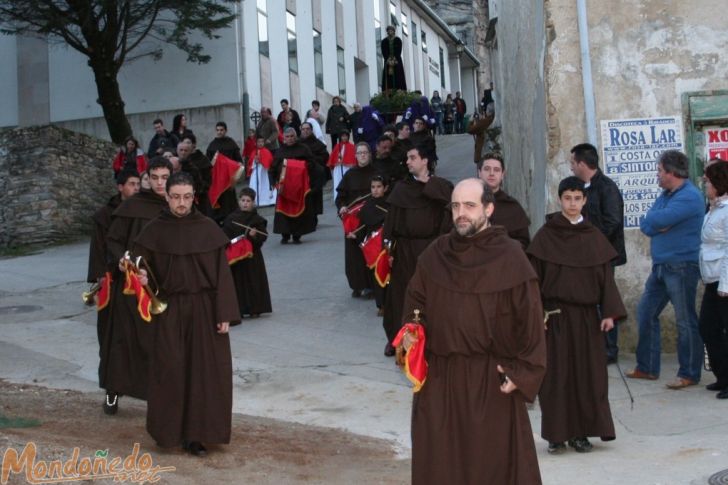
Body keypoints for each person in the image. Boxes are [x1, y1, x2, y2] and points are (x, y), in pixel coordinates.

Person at [402, 177, 546, 484]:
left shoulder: (511, 257)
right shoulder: (435, 255)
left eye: (469, 205)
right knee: (441, 465)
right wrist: (411, 334)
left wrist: (522, 373)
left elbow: (531, 322)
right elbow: (415, 305)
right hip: (440, 380)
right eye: (455, 206)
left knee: (490, 468)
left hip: (489, 380)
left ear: (489, 208)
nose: (460, 213)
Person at [131, 171, 238, 456]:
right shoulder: (154, 230)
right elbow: (142, 269)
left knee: (205, 373)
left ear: (194, 197)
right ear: (166, 196)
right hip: (168, 309)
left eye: (187, 197)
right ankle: (169, 432)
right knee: (171, 370)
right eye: (176, 197)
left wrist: (224, 313)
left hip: (205, 310)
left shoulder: (207, 228)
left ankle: (197, 436)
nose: (181, 203)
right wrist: (142, 281)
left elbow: (222, 276)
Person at [528, 176, 626, 454]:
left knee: (587, 376)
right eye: (567, 198)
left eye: (577, 198)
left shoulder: (593, 236)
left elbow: (606, 278)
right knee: (557, 378)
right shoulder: (546, 235)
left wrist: (609, 312)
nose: (572, 204)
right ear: (560, 200)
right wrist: (535, 315)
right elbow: (533, 280)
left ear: (584, 201)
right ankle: (557, 435)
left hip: (586, 319)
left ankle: (581, 433)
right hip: (555, 318)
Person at [627, 150, 705, 389]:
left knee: (684, 320)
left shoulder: (690, 197)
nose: (657, 175)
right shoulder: (666, 195)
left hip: (681, 266)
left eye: (660, 170)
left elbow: (657, 221)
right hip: (661, 266)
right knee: (645, 312)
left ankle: (689, 372)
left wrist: (658, 222)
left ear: (672, 172)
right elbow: (648, 223)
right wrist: (657, 222)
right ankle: (647, 367)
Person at [102, 157, 172, 414]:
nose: (160, 183)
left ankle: (157, 393)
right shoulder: (134, 205)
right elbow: (113, 239)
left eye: (165, 178)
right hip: (130, 285)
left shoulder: (176, 204)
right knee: (122, 340)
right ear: (148, 177)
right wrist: (121, 258)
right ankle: (112, 392)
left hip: (161, 285)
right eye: (155, 178)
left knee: (157, 343)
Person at [382, 144, 453, 356]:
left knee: (432, 296)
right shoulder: (401, 189)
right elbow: (390, 224)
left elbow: (451, 213)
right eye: (407, 158)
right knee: (399, 296)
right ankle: (397, 339)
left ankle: (433, 338)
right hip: (404, 251)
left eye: (412, 157)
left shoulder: (441, 186)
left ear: (425, 161)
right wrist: (389, 250)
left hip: (432, 250)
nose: (408, 161)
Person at [570, 142, 626, 364]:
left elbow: (612, 222)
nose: (571, 167)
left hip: (603, 257)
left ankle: (610, 350)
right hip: (587, 258)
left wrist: (590, 243)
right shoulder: (583, 187)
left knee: (606, 302)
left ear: (582, 163)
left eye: (573, 163)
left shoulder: (606, 188)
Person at [698, 161, 728, 399]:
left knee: (720, 329)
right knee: (708, 328)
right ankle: (723, 376)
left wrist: (726, 285)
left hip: (723, 281)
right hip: (713, 278)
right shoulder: (715, 208)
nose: (705, 184)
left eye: (707, 181)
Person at [336, 142, 378, 298]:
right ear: (355, 156)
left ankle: (371, 286)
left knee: (369, 251)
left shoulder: (376, 172)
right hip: (353, 221)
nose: (362, 155)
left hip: (371, 219)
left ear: (370, 154)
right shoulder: (350, 175)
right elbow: (340, 196)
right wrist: (341, 206)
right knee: (354, 255)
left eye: (365, 152)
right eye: (359, 153)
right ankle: (357, 284)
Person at [222, 187, 272, 319]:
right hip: (237, 259)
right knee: (238, 283)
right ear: (239, 201)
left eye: (248, 201)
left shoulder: (257, 220)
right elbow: (225, 236)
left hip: (252, 258)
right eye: (243, 200)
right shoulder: (231, 218)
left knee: (253, 282)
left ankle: (255, 308)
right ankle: (239, 308)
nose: (245, 203)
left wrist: (253, 236)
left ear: (253, 203)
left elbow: (263, 237)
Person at [269, 128, 318, 244]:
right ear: (284, 138)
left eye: (292, 136)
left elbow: (312, 163)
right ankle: (285, 235)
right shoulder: (280, 151)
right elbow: (273, 168)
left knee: (299, 210)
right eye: (287, 137)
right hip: (284, 187)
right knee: (283, 211)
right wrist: (272, 182)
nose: (290, 139)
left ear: (295, 137)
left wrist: (301, 166)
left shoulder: (303, 149)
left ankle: (297, 235)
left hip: (299, 187)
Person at [477, 153, 530, 248]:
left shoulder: (513, 207)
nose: (491, 173)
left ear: (502, 174)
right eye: (487, 169)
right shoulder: (467, 202)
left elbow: (524, 243)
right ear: (479, 173)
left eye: (496, 170)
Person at [357, 174, 390, 315]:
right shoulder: (366, 207)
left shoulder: (391, 205)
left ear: (385, 188)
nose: (375, 190)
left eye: (379, 187)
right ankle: (381, 305)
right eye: (373, 187)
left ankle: (391, 303)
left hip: (388, 246)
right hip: (373, 247)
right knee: (376, 276)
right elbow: (362, 227)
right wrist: (357, 237)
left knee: (389, 276)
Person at [206, 121, 244, 223]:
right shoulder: (212, 145)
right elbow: (208, 162)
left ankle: (231, 219)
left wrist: (237, 167)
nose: (219, 132)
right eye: (217, 130)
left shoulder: (231, 143)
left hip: (229, 178)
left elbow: (238, 160)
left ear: (226, 131)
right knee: (219, 199)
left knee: (229, 199)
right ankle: (218, 219)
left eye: (221, 130)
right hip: (217, 178)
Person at [300, 121, 329, 217]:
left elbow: (325, 157)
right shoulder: (298, 143)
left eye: (307, 129)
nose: (305, 131)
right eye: (303, 129)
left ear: (311, 130)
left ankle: (314, 215)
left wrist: (312, 160)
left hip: (314, 174)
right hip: (301, 175)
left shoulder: (318, 144)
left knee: (314, 196)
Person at [180, 134, 213, 217]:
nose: (186, 146)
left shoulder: (203, 160)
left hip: (200, 198)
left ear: (194, 145)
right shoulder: (180, 161)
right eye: (184, 143)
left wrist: (200, 188)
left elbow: (208, 180)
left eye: (188, 143)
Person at [248, 137, 276, 207]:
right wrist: (255, 161)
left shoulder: (267, 151)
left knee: (265, 185)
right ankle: (255, 201)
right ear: (256, 143)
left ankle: (265, 201)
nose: (260, 143)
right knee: (255, 184)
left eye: (262, 142)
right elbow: (250, 162)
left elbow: (270, 161)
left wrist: (262, 162)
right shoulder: (254, 152)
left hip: (264, 172)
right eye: (258, 142)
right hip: (256, 171)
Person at [328, 131, 356, 195]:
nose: (344, 138)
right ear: (340, 137)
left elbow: (353, 159)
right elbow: (333, 158)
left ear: (348, 137)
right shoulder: (337, 146)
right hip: (338, 169)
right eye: (343, 136)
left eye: (346, 136)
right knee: (338, 182)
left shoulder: (352, 147)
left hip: (348, 168)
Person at [381, 25, 406, 92]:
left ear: (394, 31)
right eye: (388, 30)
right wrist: (388, 60)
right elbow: (384, 52)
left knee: (398, 75)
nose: (389, 32)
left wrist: (394, 60)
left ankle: (399, 90)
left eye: (391, 30)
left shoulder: (398, 40)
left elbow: (398, 51)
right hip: (388, 62)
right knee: (388, 76)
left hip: (397, 61)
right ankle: (388, 90)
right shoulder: (384, 41)